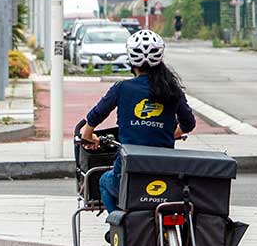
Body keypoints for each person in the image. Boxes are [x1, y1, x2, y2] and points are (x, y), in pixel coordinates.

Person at [80, 29, 196, 213]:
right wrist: (171, 133)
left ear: (131, 59)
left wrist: (88, 135)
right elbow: (189, 124)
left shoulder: (122, 88)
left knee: (103, 182)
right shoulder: (173, 90)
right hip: (165, 170)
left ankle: (119, 224)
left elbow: (95, 116)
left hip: (128, 171)